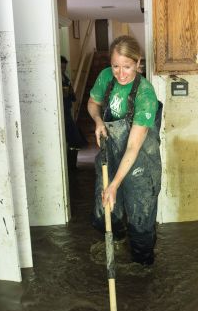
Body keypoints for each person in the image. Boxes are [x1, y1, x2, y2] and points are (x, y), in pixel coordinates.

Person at [87, 35, 161, 265]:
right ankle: (119, 242)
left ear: (138, 63)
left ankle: (143, 269)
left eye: (127, 67)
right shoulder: (106, 77)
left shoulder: (145, 94)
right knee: (105, 214)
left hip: (140, 162)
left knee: (140, 222)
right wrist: (98, 121)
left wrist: (114, 185)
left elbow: (133, 146)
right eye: (115, 66)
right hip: (110, 154)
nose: (120, 74)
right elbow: (92, 103)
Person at [61, 56, 86, 169]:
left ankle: (72, 167)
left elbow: (73, 98)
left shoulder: (66, 78)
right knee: (73, 140)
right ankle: (69, 168)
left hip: (67, 113)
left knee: (75, 141)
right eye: (61, 66)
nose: (63, 69)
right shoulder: (54, 79)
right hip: (61, 115)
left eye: (64, 67)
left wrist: (70, 92)